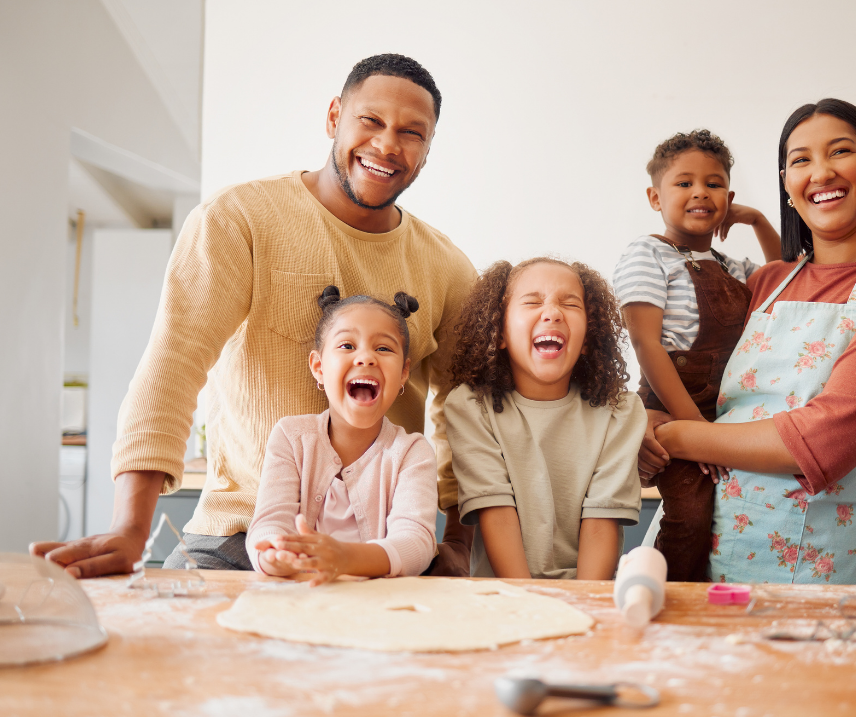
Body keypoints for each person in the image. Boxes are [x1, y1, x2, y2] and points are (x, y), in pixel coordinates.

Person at [31, 54, 476, 577]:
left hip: (380, 550)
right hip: (239, 535)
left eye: (411, 133)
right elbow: (174, 361)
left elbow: (465, 413)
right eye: (370, 121)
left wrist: (461, 545)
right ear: (334, 117)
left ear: (426, 151)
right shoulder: (238, 220)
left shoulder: (446, 266)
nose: (386, 145)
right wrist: (130, 528)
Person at [639, 99, 856, 584]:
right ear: (787, 182)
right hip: (692, 545)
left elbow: (825, 439)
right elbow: (692, 365)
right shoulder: (766, 282)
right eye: (801, 160)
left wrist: (674, 436)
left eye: (839, 151)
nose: (821, 172)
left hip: (806, 570)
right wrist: (645, 414)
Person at [612, 129, 781, 582]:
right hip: (672, 408)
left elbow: (789, 277)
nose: (700, 192)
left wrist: (758, 220)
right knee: (689, 516)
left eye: (714, 183)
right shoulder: (647, 255)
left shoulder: (733, 267)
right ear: (655, 196)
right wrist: (695, 428)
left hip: (725, 411)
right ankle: (670, 601)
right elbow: (646, 345)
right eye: (684, 183)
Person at [445, 258, 646, 580]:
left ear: (588, 337)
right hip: (507, 598)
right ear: (500, 332)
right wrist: (533, 605)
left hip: (588, 596)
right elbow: (497, 516)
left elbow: (600, 525)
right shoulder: (470, 406)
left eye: (570, 303)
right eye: (532, 302)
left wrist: (584, 607)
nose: (553, 312)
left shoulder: (620, 410)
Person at [248, 288, 437, 584]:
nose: (366, 358)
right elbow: (269, 523)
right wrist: (275, 555)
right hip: (300, 595)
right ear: (319, 367)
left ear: (403, 373)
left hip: (378, 605)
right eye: (347, 346)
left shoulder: (412, 452)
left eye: (383, 349)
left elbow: (417, 542)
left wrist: (345, 559)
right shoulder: (291, 436)